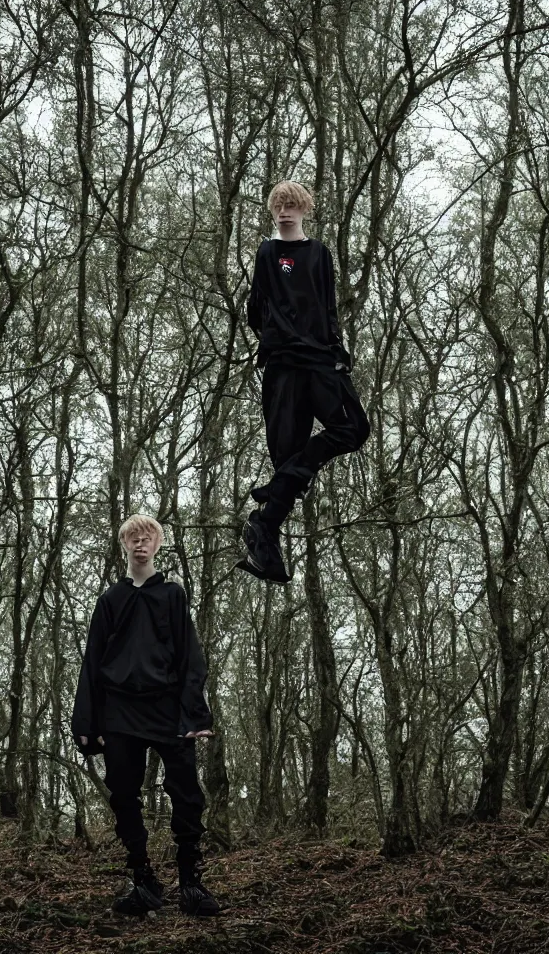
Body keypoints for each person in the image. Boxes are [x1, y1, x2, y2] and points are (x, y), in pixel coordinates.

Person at [71, 514, 219, 917]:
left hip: (168, 707)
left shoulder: (172, 594)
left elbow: (190, 654)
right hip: (120, 710)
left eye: (147, 537)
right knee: (122, 793)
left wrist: (194, 714)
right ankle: (143, 879)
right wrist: (87, 722)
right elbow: (93, 661)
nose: (141, 543)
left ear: (157, 545)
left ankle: (191, 882)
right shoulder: (109, 601)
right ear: (124, 544)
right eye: (134, 537)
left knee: (187, 793)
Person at [240, 180, 370, 582]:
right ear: (272, 211)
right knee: (287, 458)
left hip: (319, 360)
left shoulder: (319, 253)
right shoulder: (266, 252)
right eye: (279, 205)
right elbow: (256, 308)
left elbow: (327, 304)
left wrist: (335, 349)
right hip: (282, 365)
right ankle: (265, 538)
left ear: (304, 210)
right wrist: (275, 339)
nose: (285, 212)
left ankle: (270, 506)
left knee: (353, 428)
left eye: (292, 205)